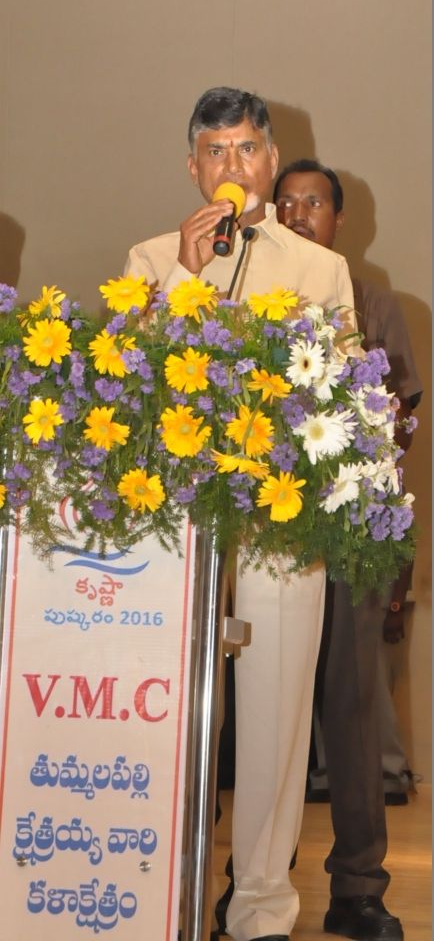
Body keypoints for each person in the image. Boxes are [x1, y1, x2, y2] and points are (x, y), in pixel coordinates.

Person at [125, 88, 357, 941]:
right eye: (216, 152)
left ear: (271, 159)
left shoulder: (320, 269)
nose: (234, 166)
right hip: (173, 525)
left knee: (276, 715)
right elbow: (127, 391)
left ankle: (260, 906)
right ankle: (161, 890)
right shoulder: (151, 259)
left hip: (280, 520)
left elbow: (342, 400)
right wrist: (185, 282)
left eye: (248, 149)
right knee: (169, 710)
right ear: (193, 166)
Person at [273, 158, 421, 940]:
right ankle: (255, 882)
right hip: (268, 533)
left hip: (353, 534)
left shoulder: (375, 301)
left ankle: (358, 889)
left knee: (354, 707)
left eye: (314, 203)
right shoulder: (248, 300)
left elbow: (399, 430)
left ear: (339, 220)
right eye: (286, 203)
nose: (299, 214)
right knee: (266, 708)